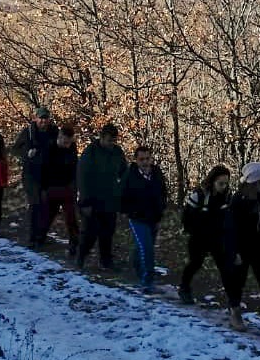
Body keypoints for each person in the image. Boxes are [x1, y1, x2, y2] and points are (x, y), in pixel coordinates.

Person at [222, 162, 260, 338]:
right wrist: (234, 252)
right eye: (259, 183)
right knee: (238, 281)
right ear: (251, 183)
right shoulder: (238, 200)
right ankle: (235, 312)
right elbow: (231, 229)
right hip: (242, 247)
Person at [76, 123, 128, 269]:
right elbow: (82, 176)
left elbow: (124, 173)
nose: (112, 143)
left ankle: (106, 260)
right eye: (109, 140)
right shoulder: (90, 152)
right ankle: (81, 256)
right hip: (92, 199)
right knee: (90, 233)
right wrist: (84, 202)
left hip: (110, 199)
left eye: (114, 140)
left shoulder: (117, 152)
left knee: (108, 232)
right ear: (102, 138)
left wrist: (124, 191)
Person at [179, 165, 232, 304]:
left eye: (226, 183)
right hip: (199, 237)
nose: (224, 186)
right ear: (213, 181)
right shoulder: (199, 195)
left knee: (224, 266)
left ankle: (233, 299)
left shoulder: (227, 197)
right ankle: (184, 288)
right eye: (221, 183)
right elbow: (186, 217)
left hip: (217, 237)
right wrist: (194, 230)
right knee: (195, 263)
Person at [120, 143, 168, 293]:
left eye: (148, 158)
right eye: (142, 159)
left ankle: (136, 267)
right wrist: (125, 211)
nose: (145, 162)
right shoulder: (130, 175)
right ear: (136, 160)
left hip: (154, 217)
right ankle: (147, 280)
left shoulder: (157, 173)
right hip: (137, 217)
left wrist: (161, 210)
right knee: (147, 248)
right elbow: (122, 193)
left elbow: (163, 192)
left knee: (143, 246)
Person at [13, 107, 58, 244]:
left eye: (46, 118)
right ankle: (33, 237)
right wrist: (27, 153)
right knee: (35, 205)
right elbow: (15, 149)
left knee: (48, 206)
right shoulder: (28, 133)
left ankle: (41, 234)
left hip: (48, 174)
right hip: (31, 174)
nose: (43, 121)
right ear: (36, 118)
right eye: (41, 118)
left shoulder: (54, 132)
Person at [35, 125, 80, 249]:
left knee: (71, 216)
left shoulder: (72, 148)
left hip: (67, 187)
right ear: (59, 137)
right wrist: (43, 189)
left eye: (69, 142)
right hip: (51, 187)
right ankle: (40, 238)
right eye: (65, 142)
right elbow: (42, 170)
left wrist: (74, 186)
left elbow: (74, 167)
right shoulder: (49, 148)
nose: (67, 145)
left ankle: (74, 241)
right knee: (48, 215)